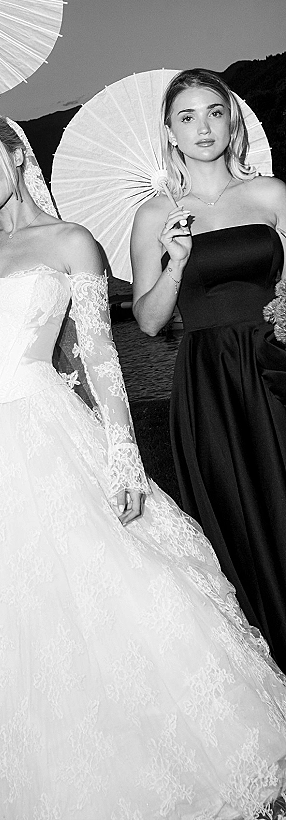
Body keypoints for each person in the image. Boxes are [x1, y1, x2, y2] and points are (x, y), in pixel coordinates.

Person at [0, 109, 286, 819]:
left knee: (96, 591)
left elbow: (99, 353)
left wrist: (121, 451)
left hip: (40, 427)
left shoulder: (70, 242)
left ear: (18, 157)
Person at [131, 68, 286, 673]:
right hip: (210, 385)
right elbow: (146, 321)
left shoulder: (273, 195)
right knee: (241, 520)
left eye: (214, 113)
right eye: (186, 117)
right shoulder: (155, 216)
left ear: (232, 121)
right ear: (169, 133)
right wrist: (174, 261)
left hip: (276, 364)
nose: (202, 128)